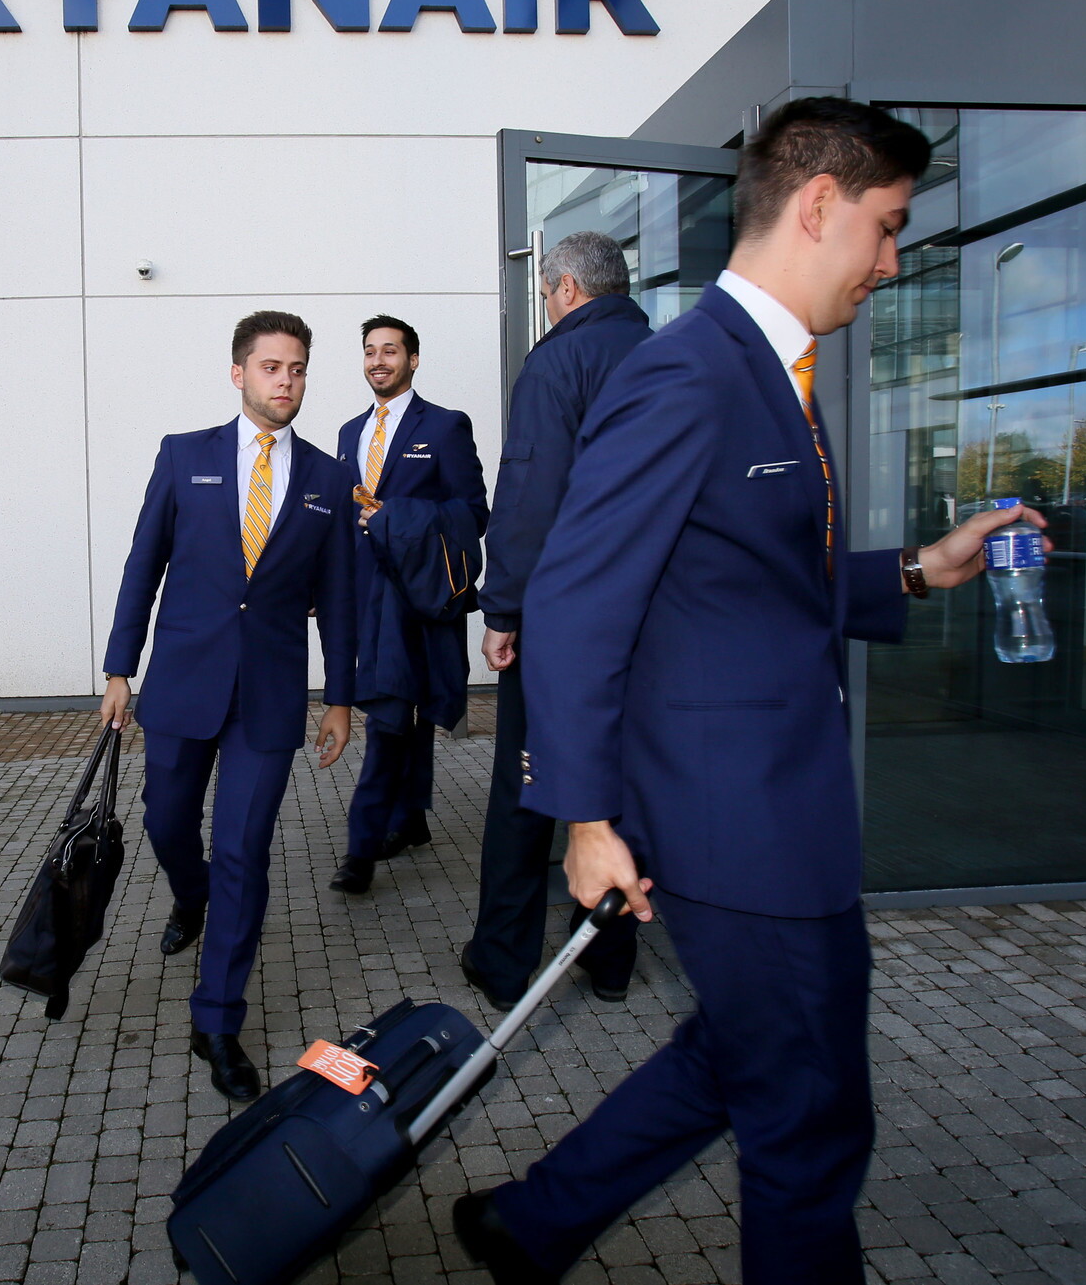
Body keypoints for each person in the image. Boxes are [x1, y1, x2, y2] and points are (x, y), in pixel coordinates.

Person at [450, 98, 1049, 1282]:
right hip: (735, 823)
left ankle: (532, 1221)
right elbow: (574, 600)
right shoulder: (687, 373)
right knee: (810, 1117)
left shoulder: (772, 372)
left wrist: (917, 569)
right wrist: (584, 820)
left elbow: (752, 580)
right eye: (887, 226)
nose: (891, 260)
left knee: (745, 1054)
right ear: (819, 203)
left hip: (777, 809)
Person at [99, 310, 356, 1104]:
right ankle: (190, 892)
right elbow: (143, 563)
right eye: (272, 366)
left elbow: (340, 596)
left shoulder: (326, 477)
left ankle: (216, 1018)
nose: (287, 380)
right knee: (164, 821)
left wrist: (340, 697)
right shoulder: (184, 456)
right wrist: (119, 668)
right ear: (239, 372)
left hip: (268, 696)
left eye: (298, 368)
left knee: (244, 849)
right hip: (182, 680)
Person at [459, 231, 647, 1010]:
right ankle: (608, 960)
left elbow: (529, 498)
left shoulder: (558, 361)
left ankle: (502, 963)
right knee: (619, 782)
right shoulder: (667, 357)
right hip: (649, 620)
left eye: (543, 293)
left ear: (566, 288)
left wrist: (501, 609)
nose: (546, 304)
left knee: (525, 782)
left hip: (564, 620)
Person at [329, 316, 487, 895]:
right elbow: (342, 520)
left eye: (390, 351)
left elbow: (474, 513)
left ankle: (361, 848)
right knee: (406, 707)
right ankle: (412, 816)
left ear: (412, 360)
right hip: (366, 597)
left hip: (416, 597)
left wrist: (394, 517)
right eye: (370, 351)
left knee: (391, 715)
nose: (378, 361)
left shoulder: (445, 426)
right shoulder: (349, 432)